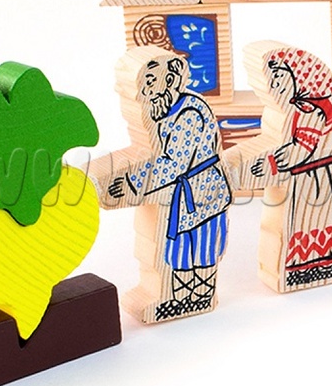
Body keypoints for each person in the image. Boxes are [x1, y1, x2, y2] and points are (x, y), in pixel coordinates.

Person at [99, 48, 232, 321]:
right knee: (180, 252)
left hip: (203, 194)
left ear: (170, 81)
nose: (144, 91)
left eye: (149, 82)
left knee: (201, 250)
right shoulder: (164, 111)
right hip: (182, 198)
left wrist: (133, 183)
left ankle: (199, 297)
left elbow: (173, 164)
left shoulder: (189, 114)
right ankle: (179, 297)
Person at [238, 44, 332, 292]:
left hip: (319, 180)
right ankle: (311, 265)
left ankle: (316, 266)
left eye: (279, 78)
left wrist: (270, 164)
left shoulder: (310, 110)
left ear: (299, 76)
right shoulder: (295, 110)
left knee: (313, 222)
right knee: (303, 223)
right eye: (270, 81)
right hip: (312, 177)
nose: (274, 86)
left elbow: (298, 152)